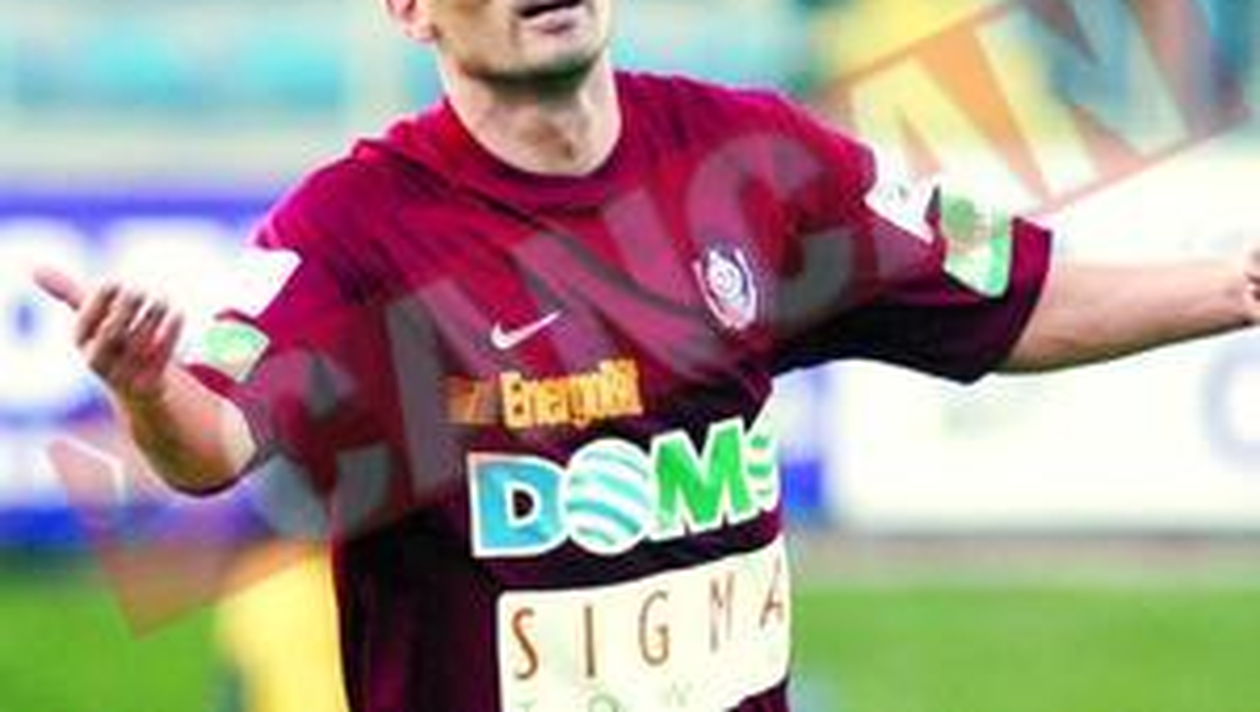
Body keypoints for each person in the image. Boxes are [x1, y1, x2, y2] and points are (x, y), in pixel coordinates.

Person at [33, 0, 1260, 710]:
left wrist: (1235, 285)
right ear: (409, 7)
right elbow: (214, 445)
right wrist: (147, 390)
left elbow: (1014, 294)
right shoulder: (351, 229)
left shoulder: (763, 163)